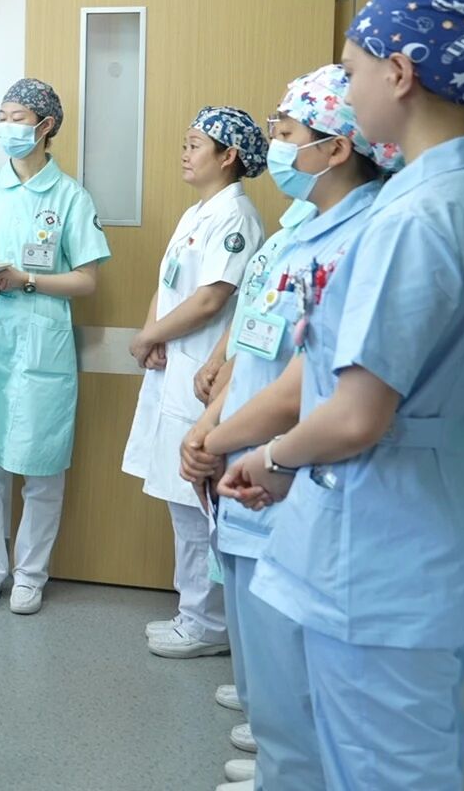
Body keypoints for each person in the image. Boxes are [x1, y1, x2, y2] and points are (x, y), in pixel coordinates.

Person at [218, 0, 464, 789]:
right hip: (407, 530)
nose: (347, 87)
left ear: (399, 74)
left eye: (353, 68)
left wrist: (272, 457)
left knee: (380, 773)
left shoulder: (415, 218)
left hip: (380, 550)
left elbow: (358, 415)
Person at [180, 65, 397, 790]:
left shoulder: (360, 238)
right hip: (248, 469)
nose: (274, 143)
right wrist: (210, 425)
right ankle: (279, 768)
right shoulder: (301, 232)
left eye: (285, 131)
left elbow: (306, 381)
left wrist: (216, 440)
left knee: (298, 684)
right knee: (267, 684)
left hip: (289, 479)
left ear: (336, 147)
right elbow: (254, 345)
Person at [0, 79, 110, 615]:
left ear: (45, 125)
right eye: (2, 115)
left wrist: (27, 281)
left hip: (39, 340)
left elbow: (87, 280)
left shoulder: (70, 197)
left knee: (40, 466)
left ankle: (31, 575)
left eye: (17, 117)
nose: (7, 127)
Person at [122, 105, 266, 659]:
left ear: (228, 156)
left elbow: (211, 300)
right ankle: (192, 612)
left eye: (195, 145)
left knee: (197, 502)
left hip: (200, 376)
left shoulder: (236, 218)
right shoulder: (196, 213)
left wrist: (148, 337)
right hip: (174, 366)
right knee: (179, 500)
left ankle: (208, 624)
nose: (184, 154)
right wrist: (152, 332)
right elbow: (169, 283)